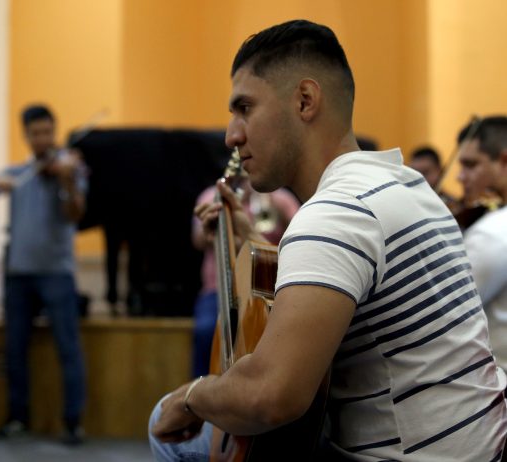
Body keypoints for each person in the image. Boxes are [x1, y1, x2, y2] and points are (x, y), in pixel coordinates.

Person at [149, 20, 507, 461]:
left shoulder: (334, 213)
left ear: (304, 100)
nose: (232, 135)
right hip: (478, 442)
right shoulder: (404, 183)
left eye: (244, 108)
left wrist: (192, 397)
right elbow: (347, 284)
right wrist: (251, 241)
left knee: (160, 425)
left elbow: (271, 396)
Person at [0, 104, 87, 445]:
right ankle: (17, 418)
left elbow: (74, 214)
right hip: (18, 275)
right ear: (26, 136)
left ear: (54, 131)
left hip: (57, 273)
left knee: (68, 347)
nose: (43, 139)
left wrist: (67, 180)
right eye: (36, 133)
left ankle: (72, 423)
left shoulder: (69, 170)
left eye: (47, 132)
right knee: (14, 349)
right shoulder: (17, 172)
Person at [191, 178, 299, 377]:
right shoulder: (212, 196)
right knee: (207, 330)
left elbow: (299, 239)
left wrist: (280, 212)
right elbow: (198, 240)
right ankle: (199, 384)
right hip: (219, 288)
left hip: (267, 289)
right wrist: (218, 224)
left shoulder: (281, 198)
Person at [457, 116, 507, 371]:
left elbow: (451, 314)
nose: (459, 177)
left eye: (471, 165)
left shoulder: (493, 232)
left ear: (504, 161)